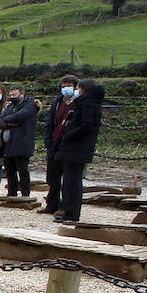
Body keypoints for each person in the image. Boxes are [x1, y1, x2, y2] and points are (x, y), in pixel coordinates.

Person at [51, 78, 105, 223]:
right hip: (76, 148)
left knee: (72, 182)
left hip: (76, 148)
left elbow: (86, 125)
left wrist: (68, 134)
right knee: (70, 180)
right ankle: (67, 209)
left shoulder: (87, 104)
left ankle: (71, 212)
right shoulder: (86, 103)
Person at [41, 74, 80, 213]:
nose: (66, 89)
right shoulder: (57, 103)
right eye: (64, 86)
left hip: (68, 145)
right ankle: (52, 204)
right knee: (52, 177)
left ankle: (65, 206)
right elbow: (50, 123)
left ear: (75, 87)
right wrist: (48, 141)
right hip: (54, 143)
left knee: (68, 179)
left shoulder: (78, 103)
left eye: (69, 86)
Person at [0, 84, 38, 198]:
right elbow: (2, 121)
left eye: (14, 95)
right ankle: (12, 193)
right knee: (10, 170)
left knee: (22, 170)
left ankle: (25, 194)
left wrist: (6, 122)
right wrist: (9, 123)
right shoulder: (10, 107)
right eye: (10, 95)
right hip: (8, 143)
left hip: (22, 142)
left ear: (22, 94)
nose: (12, 97)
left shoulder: (30, 106)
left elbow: (19, 116)